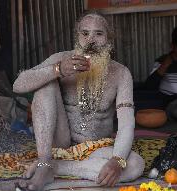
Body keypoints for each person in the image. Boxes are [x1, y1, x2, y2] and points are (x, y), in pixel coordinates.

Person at [13, 12, 144, 191]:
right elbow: (18, 85)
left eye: (99, 34)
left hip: (97, 148)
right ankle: (44, 163)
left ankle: (55, 168)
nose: (91, 40)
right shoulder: (61, 59)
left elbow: (126, 123)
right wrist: (57, 70)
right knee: (45, 84)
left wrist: (117, 160)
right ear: (77, 37)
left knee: (135, 165)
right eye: (85, 33)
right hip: (60, 142)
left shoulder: (121, 73)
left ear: (109, 39)